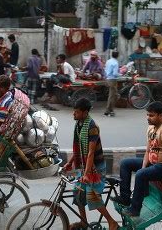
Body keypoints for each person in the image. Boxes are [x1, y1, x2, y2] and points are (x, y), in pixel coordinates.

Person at [112, 102, 162, 217]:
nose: (148, 118)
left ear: (161, 115)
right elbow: (148, 151)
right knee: (125, 163)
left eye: (151, 115)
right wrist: (143, 169)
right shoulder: (151, 128)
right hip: (153, 164)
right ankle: (125, 198)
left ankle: (135, 209)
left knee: (141, 174)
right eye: (147, 115)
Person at [63, 98, 119, 230]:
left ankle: (112, 222)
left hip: (95, 169)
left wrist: (87, 174)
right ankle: (83, 222)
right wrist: (69, 163)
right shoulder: (79, 125)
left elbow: (90, 153)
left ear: (84, 112)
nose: (73, 114)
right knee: (77, 193)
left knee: (91, 196)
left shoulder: (92, 127)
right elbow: (78, 149)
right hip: (83, 167)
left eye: (76, 112)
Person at [104, 51, 119, 117]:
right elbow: (115, 73)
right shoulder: (115, 63)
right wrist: (120, 74)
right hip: (112, 79)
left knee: (112, 95)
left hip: (107, 79)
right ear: (117, 56)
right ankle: (109, 110)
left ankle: (109, 110)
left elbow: (105, 70)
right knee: (113, 96)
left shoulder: (108, 61)